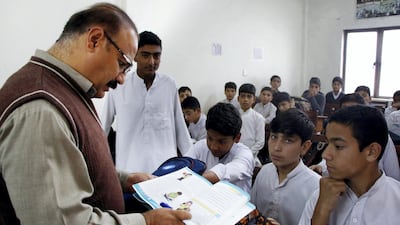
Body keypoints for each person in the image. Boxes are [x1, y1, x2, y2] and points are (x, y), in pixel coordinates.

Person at [0, 3, 190, 225]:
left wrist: (123, 179)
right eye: (122, 64)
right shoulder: (39, 111)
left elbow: (75, 160)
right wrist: (147, 222)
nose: (121, 79)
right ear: (94, 40)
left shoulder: (64, 88)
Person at [101, 31, 192, 173]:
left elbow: (180, 126)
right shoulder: (120, 85)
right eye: (145, 55)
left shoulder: (169, 85)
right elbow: (103, 127)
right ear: (135, 56)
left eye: (156, 56)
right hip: (129, 170)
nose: (151, 62)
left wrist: (192, 162)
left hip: (165, 169)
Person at [298, 105, 400, 225]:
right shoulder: (321, 196)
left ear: (372, 152)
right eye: (327, 143)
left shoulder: (396, 200)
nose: (325, 155)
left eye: (338, 146)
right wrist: (321, 214)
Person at [251, 108, 320, 225]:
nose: (276, 147)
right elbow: (252, 212)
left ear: (304, 147)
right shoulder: (265, 171)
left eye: (288, 140)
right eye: (273, 137)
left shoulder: (315, 186)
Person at [310, 93, 400, 181]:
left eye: (339, 146)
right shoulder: (335, 133)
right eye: (345, 110)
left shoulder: (379, 136)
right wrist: (321, 167)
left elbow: (393, 174)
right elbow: (331, 157)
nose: (349, 116)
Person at [184, 103, 255, 193]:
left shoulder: (245, 154)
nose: (213, 146)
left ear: (237, 138)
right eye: (209, 138)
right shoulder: (200, 146)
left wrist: (195, 180)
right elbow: (184, 164)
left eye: (221, 141)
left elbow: (223, 172)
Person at [237, 83, 266, 167]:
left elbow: (260, 142)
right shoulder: (233, 115)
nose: (245, 99)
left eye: (249, 96)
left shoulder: (258, 118)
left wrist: (247, 153)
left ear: (254, 99)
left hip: (250, 155)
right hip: (233, 153)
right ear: (238, 98)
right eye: (243, 96)